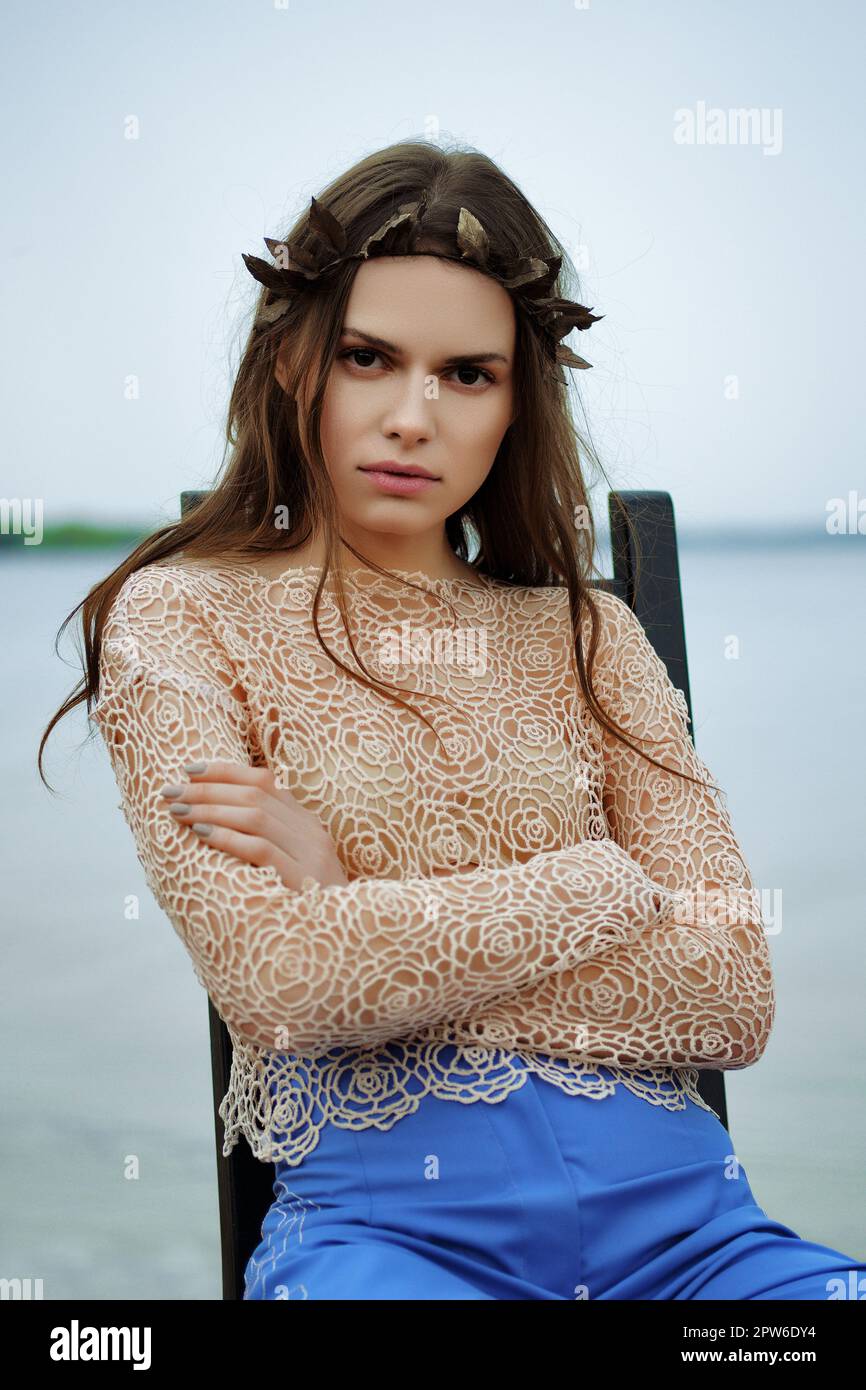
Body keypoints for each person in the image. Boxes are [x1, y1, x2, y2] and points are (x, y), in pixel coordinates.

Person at [40, 139, 865, 1300]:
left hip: (699, 1244)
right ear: (291, 363)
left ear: (516, 399)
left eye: (467, 374)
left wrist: (352, 906)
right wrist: (596, 883)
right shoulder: (181, 621)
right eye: (369, 358)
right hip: (393, 1246)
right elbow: (278, 982)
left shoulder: (588, 637)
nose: (413, 417)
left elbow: (730, 990)